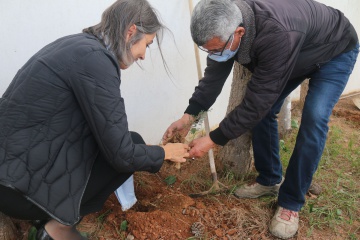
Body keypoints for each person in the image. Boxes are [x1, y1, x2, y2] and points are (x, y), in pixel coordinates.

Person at [163, 0, 358, 238]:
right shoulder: (224, 30)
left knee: (314, 119)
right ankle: (270, 179)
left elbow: (255, 103)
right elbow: (213, 79)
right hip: (297, 50)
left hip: (334, 51)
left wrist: (213, 139)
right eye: (208, 50)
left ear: (240, 32)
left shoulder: (275, 35)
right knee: (264, 112)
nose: (213, 55)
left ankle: (291, 203)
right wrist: (189, 115)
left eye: (216, 50)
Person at [0, 0, 190, 239]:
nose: (142, 55)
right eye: (147, 45)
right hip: (17, 189)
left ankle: (48, 215)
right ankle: (56, 227)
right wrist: (165, 153)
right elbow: (121, 155)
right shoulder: (96, 62)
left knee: (133, 140)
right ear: (131, 31)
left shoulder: (77, 46)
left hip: (13, 174)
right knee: (130, 149)